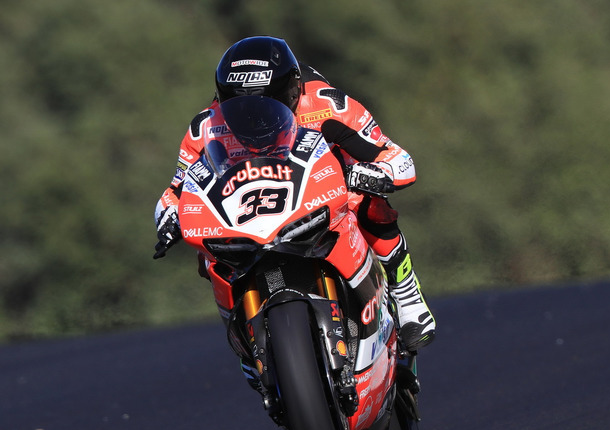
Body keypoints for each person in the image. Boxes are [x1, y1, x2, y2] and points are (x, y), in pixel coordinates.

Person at [155, 36, 436, 352]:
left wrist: (375, 172)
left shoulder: (328, 105)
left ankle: (407, 294)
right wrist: (167, 215)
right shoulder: (204, 127)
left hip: (319, 189)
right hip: (249, 208)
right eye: (241, 106)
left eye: (268, 102)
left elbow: (396, 155)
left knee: (367, 205)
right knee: (207, 255)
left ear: (293, 90)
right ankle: (245, 346)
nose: (255, 117)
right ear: (222, 100)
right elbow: (178, 189)